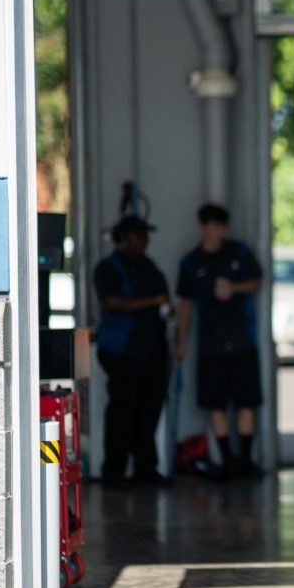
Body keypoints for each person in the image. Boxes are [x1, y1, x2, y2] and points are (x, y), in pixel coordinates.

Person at [174, 203, 264, 478]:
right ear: (203, 227)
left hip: (241, 340)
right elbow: (186, 305)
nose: (218, 234)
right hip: (210, 342)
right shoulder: (190, 262)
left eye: (222, 228)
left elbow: (258, 281)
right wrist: (181, 342)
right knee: (216, 403)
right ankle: (226, 461)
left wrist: (234, 287)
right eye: (213, 228)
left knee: (246, 401)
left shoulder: (238, 252)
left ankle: (245, 460)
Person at [93, 215, 173, 489]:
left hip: (153, 350)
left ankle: (145, 469)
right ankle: (113, 472)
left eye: (145, 235)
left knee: (149, 411)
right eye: (136, 235)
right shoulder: (108, 268)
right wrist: (152, 302)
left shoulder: (150, 267)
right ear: (124, 237)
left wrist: (166, 309)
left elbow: (165, 298)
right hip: (122, 351)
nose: (142, 241)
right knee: (122, 411)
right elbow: (112, 302)